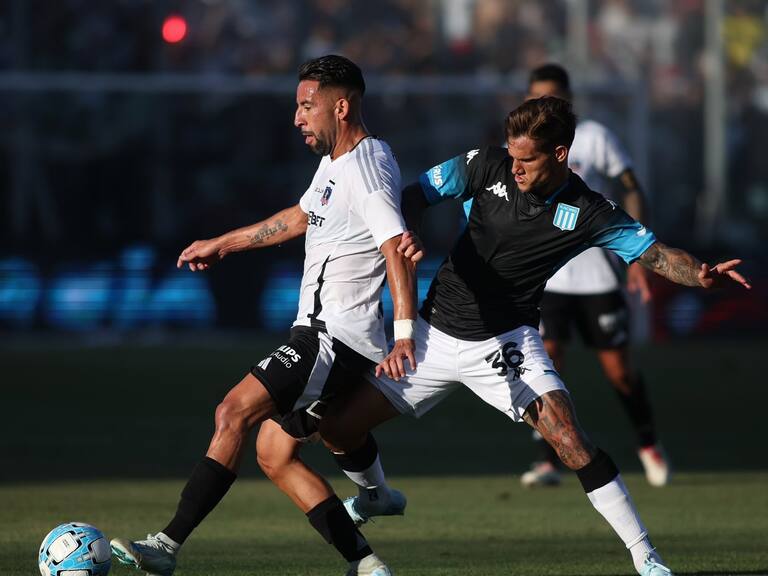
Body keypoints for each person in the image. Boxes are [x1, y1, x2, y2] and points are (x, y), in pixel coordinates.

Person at [312, 97, 750, 576]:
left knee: (570, 439)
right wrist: (411, 231)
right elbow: (413, 196)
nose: (515, 168)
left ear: (560, 154)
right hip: (430, 335)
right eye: (512, 156)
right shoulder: (486, 164)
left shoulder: (589, 211)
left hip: (507, 342)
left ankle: (646, 556)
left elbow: (659, 255)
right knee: (336, 427)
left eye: (527, 160)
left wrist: (701, 275)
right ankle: (378, 497)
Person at [109, 54, 418, 576]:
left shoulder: (366, 169)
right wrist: (224, 244)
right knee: (275, 454)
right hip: (331, 337)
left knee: (233, 412)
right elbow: (300, 217)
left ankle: (165, 546)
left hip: (333, 336)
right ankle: (367, 565)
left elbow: (397, 247)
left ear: (340, 107)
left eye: (306, 106)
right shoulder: (336, 164)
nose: (297, 118)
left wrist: (404, 335)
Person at [521, 63, 669, 488]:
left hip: (598, 275)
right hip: (548, 278)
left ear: (566, 101)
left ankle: (648, 441)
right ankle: (546, 458)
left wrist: (636, 254)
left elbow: (631, 186)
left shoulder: (594, 137)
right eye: (535, 99)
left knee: (618, 371)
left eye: (550, 99)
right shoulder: (521, 144)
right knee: (546, 363)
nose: (542, 107)